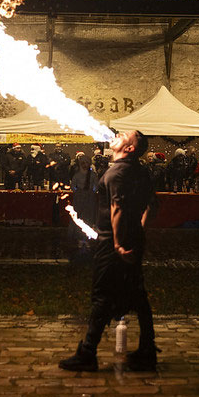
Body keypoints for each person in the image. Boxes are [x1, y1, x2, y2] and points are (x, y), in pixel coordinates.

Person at [59, 130, 158, 372]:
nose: (119, 134)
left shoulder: (117, 172)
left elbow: (117, 207)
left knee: (102, 294)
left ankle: (88, 353)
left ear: (130, 148)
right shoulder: (141, 170)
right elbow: (152, 205)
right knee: (137, 295)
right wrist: (137, 231)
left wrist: (118, 243)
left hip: (112, 242)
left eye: (126, 135)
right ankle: (147, 350)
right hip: (131, 237)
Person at [70, 153, 98, 235]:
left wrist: (91, 192)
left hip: (89, 197)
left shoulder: (93, 175)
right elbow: (73, 185)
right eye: (83, 163)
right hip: (79, 197)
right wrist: (78, 192)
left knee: (89, 215)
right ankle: (78, 233)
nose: (85, 165)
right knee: (79, 215)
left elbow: (96, 185)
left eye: (86, 163)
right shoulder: (77, 175)